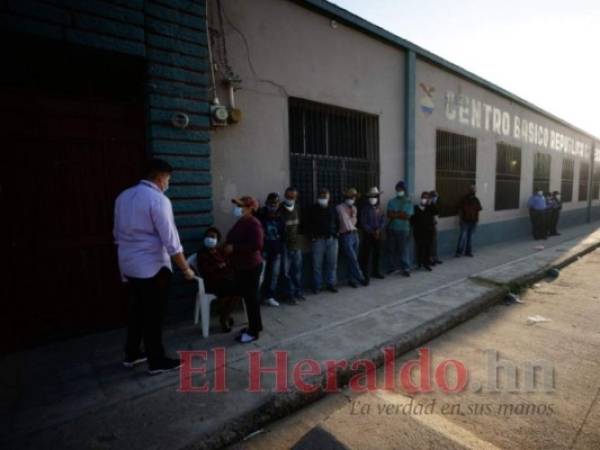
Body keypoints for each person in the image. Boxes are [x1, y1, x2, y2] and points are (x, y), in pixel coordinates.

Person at [114, 158, 195, 375]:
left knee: (136, 312)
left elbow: (117, 234)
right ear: (160, 177)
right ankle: (156, 360)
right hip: (152, 267)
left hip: (129, 265)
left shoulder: (123, 196)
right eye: (168, 178)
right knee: (153, 316)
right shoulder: (158, 199)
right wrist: (185, 268)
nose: (168, 183)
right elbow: (171, 240)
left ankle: (132, 354)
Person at [225, 196, 264, 344]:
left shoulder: (254, 224)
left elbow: (257, 245)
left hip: (251, 267)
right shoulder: (242, 221)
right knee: (248, 299)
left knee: (252, 299)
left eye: (241, 206)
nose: (237, 208)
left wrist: (234, 248)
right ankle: (255, 326)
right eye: (237, 205)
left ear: (250, 208)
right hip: (241, 266)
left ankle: (253, 332)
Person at [197, 227, 240, 333]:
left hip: (225, 280)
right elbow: (205, 270)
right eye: (208, 236)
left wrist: (226, 265)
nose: (209, 238)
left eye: (213, 237)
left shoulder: (220, 251)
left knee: (239, 290)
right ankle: (224, 317)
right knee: (231, 290)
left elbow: (228, 264)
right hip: (211, 282)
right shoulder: (202, 253)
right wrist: (218, 267)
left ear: (217, 240)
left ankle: (225, 315)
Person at [307, 188, 339, 293]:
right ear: (318, 197)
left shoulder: (332, 208)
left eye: (325, 197)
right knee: (317, 265)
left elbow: (338, 222)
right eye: (321, 197)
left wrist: (336, 234)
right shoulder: (312, 209)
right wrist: (312, 236)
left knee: (332, 264)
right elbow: (307, 224)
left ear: (329, 198)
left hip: (332, 240)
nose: (323, 199)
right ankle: (317, 286)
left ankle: (331, 284)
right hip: (318, 241)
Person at [257, 193, 286, 307]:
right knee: (260, 276)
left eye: (275, 203)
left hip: (276, 250)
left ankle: (270, 296)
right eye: (271, 203)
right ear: (267, 203)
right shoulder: (260, 214)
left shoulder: (280, 216)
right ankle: (257, 298)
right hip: (263, 251)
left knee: (274, 275)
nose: (273, 205)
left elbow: (283, 233)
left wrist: (280, 247)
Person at [336, 187, 367, 288]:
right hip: (345, 235)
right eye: (350, 196)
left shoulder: (354, 208)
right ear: (346, 197)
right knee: (352, 258)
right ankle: (361, 277)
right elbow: (338, 222)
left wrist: (352, 214)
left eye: (353, 197)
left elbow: (354, 223)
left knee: (353, 259)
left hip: (354, 234)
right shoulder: (339, 208)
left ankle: (351, 279)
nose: (352, 198)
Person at [279, 187, 305, 303]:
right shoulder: (279, 209)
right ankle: (289, 295)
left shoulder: (298, 208)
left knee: (297, 271)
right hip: (285, 245)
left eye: (293, 197)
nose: (290, 199)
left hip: (296, 244)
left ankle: (298, 292)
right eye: (288, 197)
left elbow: (300, 226)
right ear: (285, 196)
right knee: (286, 272)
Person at [358, 186, 386, 284]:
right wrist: (372, 231)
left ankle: (376, 271)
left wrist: (378, 230)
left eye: (375, 196)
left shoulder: (380, 208)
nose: (373, 198)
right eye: (371, 196)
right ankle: (366, 276)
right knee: (366, 256)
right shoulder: (365, 209)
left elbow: (383, 220)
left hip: (378, 234)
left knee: (377, 254)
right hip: (368, 235)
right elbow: (363, 223)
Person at [387, 181, 413, 277]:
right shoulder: (391, 201)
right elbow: (389, 214)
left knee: (404, 250)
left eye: (401, 189)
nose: (399, 191)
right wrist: (400, 213)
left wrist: (395, 214)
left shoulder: (408, 202)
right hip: (392, 228)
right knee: (391, 249)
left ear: (404, 190)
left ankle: (406, 268)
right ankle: (392, 268)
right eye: (398, 189)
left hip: (403, 229)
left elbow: (407, 216)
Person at [455, 184, 482, 257]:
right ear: (469, 190)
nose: (473, 190)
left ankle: (468, 252)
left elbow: (478, 210)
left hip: (473, 222)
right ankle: (458, 252)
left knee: (470, 238)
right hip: (465, 221)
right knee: (462, 237)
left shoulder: (476, 200)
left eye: (474, 189)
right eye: (472, 189)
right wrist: (460, 220)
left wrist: (476, 220)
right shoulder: (464, 199)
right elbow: (460, 210)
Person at [411, 192, 436, 271]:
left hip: (428, 231)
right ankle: (419, 263)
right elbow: (412, 220)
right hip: (419, 232)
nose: (424, 199)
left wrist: (430, 203)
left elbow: (435, 212)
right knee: (419, 248)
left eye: (426, 198)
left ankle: (426, 264)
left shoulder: (429, 208)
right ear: (421, 198)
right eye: (423, 197)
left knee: (428, 248)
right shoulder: (416, 208)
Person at [428, 190, 443, 265]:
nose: (436, 198)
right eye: (434, 196)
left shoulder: (435, 204)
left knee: (435, 242)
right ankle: (430, 258)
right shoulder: (428, 204)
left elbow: (436, 213)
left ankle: (435, 257)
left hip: (434, 225)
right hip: (429, 226)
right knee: (431, 243)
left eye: (436, 197)